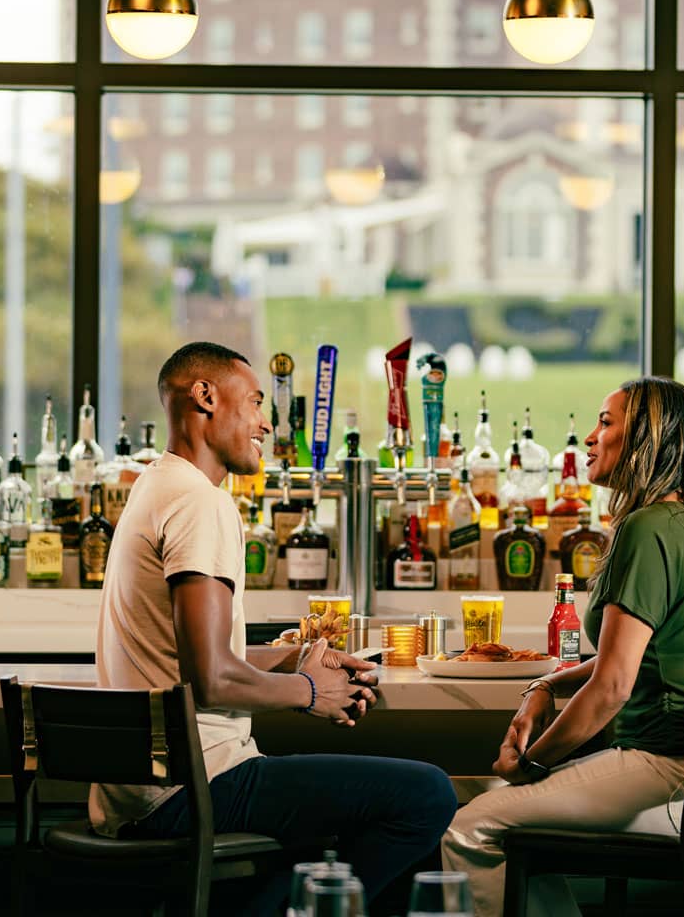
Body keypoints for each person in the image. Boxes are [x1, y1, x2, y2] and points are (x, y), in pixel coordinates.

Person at [91, 342, 456, 915]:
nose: (267, 421)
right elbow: (210, 679)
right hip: (193, 788)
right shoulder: (199, 503)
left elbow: (187, 658)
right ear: (205, 397)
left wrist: (296, 662)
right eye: (257, 401)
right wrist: (310, 693)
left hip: (138, 789)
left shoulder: (153, 487)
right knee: (426, 795)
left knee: (349, 826)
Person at [441, 377, 684, 916]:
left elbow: (612, 687)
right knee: (500, 819)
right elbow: (635, 657)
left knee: (470, 826)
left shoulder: (647, 528)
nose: (590, 438)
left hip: (677, 782)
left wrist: (533, 765)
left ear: (647, 439)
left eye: (606, 423)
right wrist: (546, 683)